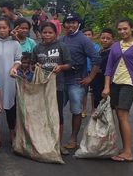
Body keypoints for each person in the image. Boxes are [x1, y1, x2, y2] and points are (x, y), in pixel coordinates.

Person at [102, 18, 133, 162]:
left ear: (132, 29)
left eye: (125, 29)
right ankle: (124, 149)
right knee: (119, 116)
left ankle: (128, 152)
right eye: (120, 29)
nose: (122, 31)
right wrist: (106, 86)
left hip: (129, 84)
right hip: (115, 84)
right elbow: (109, 68)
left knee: (123, 116)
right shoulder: (116, 46)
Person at [59, 13, 100, 152]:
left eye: (73, 22)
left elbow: (96, 59)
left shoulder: (83, 40)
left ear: (78, 24)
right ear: (64, 24)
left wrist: (90, 78)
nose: (70, 25)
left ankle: (73, 139)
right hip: (61, 80)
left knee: (76, 111)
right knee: (56, 109)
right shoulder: (62, 39)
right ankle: (55, 139)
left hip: (76, 81)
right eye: (68, 22)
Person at [31, 21, 72, 154]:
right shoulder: (37, 48)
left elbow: (69, 64)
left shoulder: (61, 46)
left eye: (50, 32)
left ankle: (58, 145)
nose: (47, 35)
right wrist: (35, 67)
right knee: (42, 114)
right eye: (45, 32)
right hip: (41, 86)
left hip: (57, 86)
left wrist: (61, 67)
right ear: (41, 33)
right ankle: (42, 141)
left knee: (57, 115)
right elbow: (32, 64)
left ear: (56, 33)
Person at [0, 17, 21, 147]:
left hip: (10, 80)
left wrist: (14, 68)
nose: (1, 30)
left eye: (4, 28)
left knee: (11, 107)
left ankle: (13, 134)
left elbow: (18, 59)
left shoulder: (15, 43)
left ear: (9, 29)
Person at [91, 28, 114, 109]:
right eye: (103, 38)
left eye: (108, 38)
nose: (105, 40)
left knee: (107, 109)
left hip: (106, 85)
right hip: (97, 84)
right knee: (98, 107)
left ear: (112, 40)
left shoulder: (113, 53)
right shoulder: (100, 51)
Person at [82, 28, 101, 116]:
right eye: (85, 35)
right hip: (83, 72)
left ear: (92, 36)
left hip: (94, 73)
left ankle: (93, 109)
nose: (87, 36)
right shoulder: (80, 46)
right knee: (84, 92)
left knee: (93, 92)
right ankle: (84, 109)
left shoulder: (96, 47)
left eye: (89, 34)